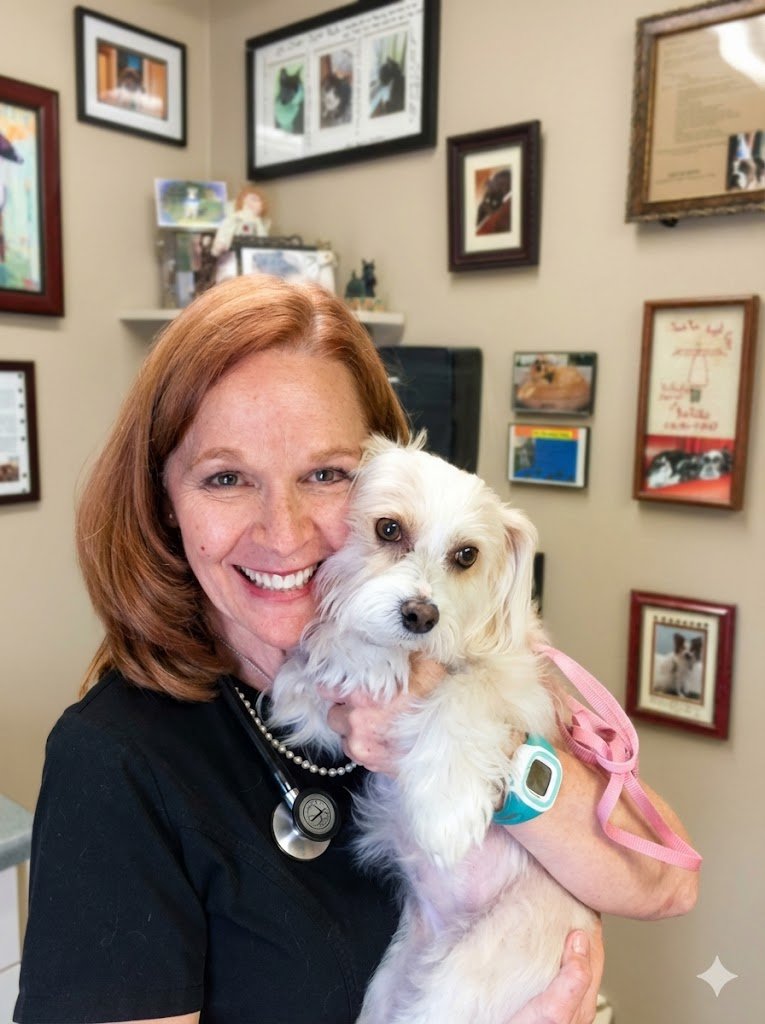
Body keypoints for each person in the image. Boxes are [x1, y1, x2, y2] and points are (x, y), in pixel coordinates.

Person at [15, 275, 696, 1024]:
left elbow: (666, 883)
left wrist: (485, 754)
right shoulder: (114, 765)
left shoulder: (451, 655)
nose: (284, 530)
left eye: (327, 474)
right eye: (225, 477)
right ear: (165, 505)